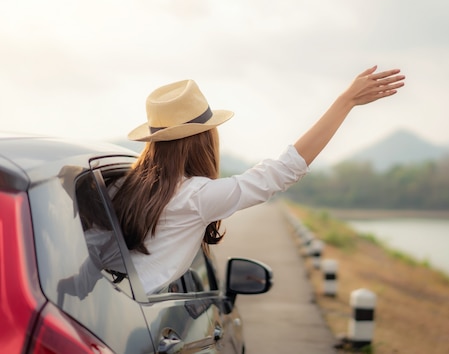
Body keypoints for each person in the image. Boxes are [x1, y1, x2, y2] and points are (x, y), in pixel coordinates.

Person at [111, 65, 405, 294]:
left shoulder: (120, 185)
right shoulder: (195, 196)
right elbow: (282, 171)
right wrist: (345, 101)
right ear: (203, 141)